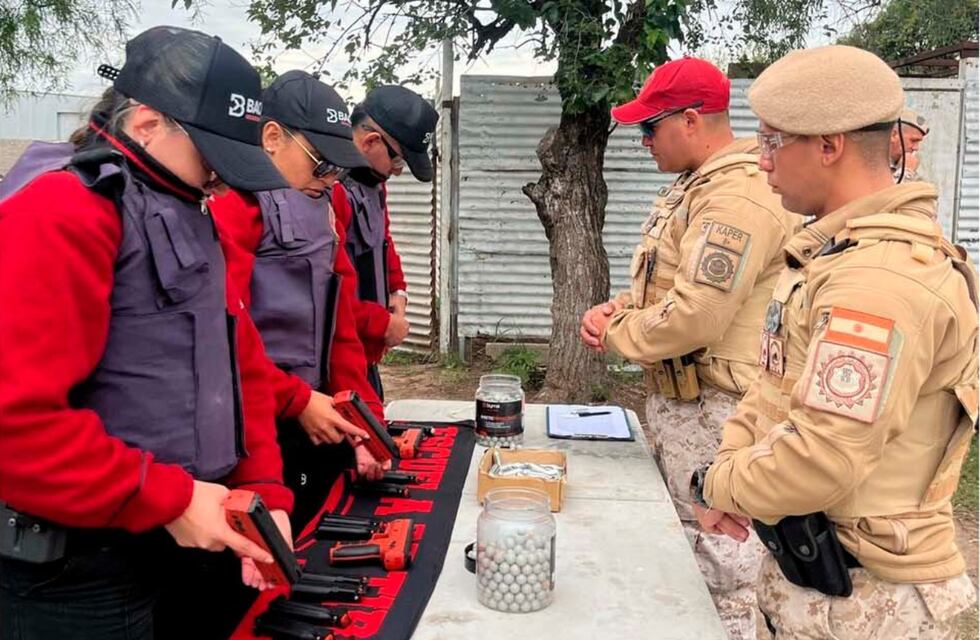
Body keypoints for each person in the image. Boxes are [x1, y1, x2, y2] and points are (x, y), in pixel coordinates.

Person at [0, 26, 294, 639]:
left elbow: (238, 368)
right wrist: (168, 497)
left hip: (182, 542)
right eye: (211, 157)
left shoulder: (193, 212)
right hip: (78, 576)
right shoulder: (62, 212)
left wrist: (264, 491)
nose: (221, 179)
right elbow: (15, 425)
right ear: (147, 124)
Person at [693, 45, 978, 638]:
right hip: (819, 581)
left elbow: (823, 458)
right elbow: (770, 388)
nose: (762, 162)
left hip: (868, 601)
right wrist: (730, 465)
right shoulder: (835, 257)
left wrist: (717, 484)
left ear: (829, 146)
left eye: (772, 142)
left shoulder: (878, 282)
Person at [579, 57, 802, 639]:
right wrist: (620, 308)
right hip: (685, 407)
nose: (643, 141)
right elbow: (674, 285)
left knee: (717, 577)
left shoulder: (737, 197)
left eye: (649, 127)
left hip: (718, 415)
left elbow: (698, 315)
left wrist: (616, 333)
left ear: (691, 119)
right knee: (681, 561)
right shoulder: (697, 186)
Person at [210, 70, 390, 529]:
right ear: (272, 138)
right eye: (321, 163)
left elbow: (340, 323)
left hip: (313, 411)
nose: (330, 179)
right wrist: (297, 401)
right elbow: (225, 340)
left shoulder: (329, 206)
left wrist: (364, 421)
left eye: (338, 168)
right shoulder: (236, 205)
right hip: (254, 422)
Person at [332, 85, 439, 400]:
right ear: (371, 141)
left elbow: (383, 242)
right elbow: (326, 293)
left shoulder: (374, 184)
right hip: (336, 364)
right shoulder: (331, 192)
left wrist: (398, 292)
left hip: (365, 356)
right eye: (399, 161)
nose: (398, 171)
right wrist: (381, 323)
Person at [890, 107, 930, 183]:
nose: (916, 148)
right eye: (913, 140)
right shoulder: (872, 162)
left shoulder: (910, 164)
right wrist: (906, 172)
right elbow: (891, 191)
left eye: (918, 142)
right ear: (893, 135)